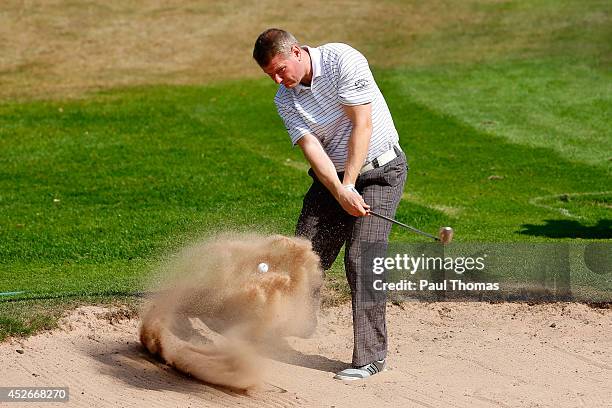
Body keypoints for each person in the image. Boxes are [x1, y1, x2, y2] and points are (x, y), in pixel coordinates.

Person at [252, 28, 407, 380]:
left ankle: (371, 356)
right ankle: (299, 322)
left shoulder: (342, 60)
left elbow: (361, 125)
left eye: (280, 70)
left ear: (296, 52)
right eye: (270, 76)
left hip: (381, 172)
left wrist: (350, 185)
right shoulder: (285, 98)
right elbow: (312, 150)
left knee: (361, 258)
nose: (278, 80)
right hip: (334, 180)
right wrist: (340, 191)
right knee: (303, 252)